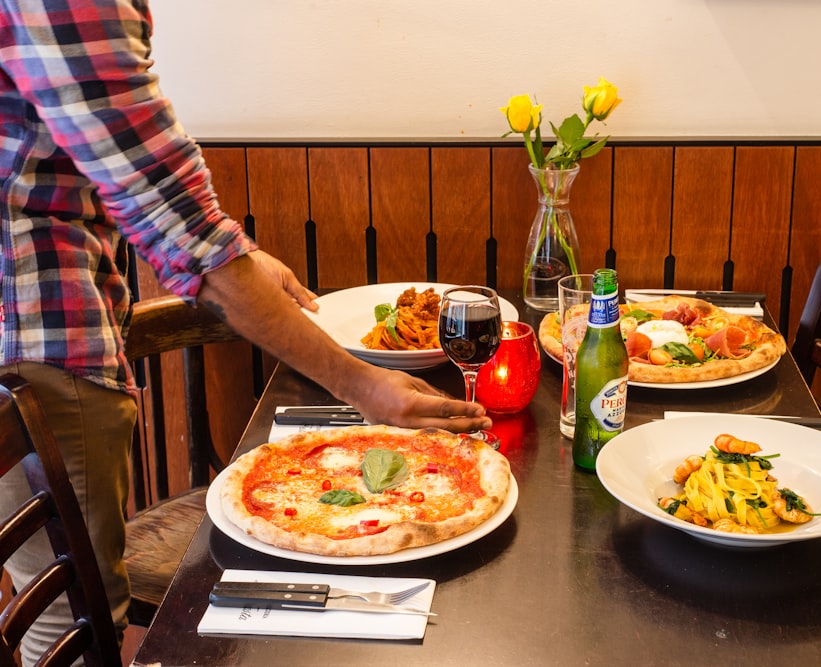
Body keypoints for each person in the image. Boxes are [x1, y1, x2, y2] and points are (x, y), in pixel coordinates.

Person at [0, 1, 491, 662]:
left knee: (61, 623)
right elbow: (177, 222)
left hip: (33, 333)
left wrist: (239, 257)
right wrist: (365, 388)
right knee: (74, 639)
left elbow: (119, 174)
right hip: (40, 341)